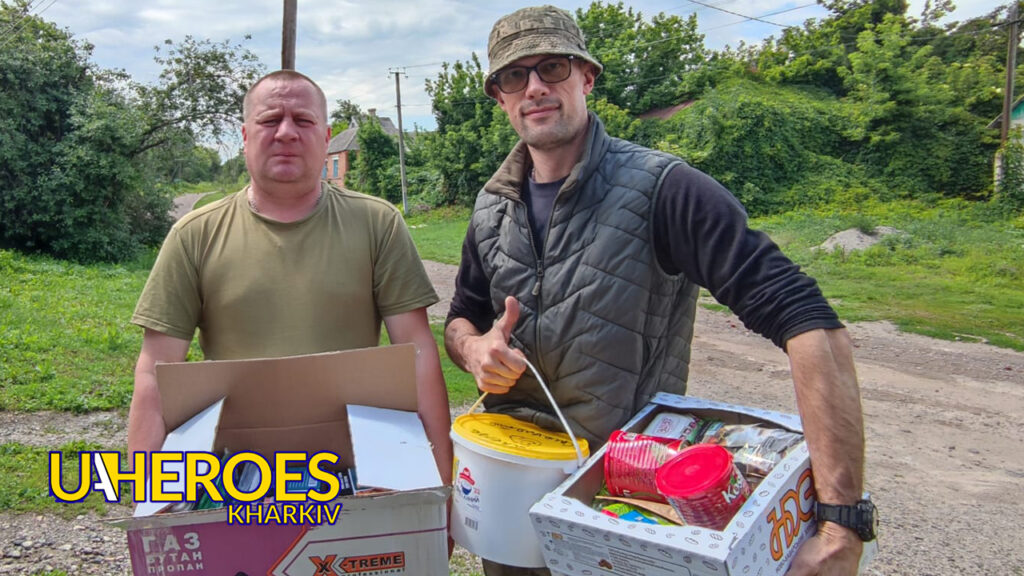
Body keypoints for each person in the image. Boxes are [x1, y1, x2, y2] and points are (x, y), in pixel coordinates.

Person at [444, 6, 868, 576]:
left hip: (621, 504)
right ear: (500, 97)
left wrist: (841, 522)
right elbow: (460, 319)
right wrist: (473, 350)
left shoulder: (663, 188)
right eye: (516, 76)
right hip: (510, 484)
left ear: (586, 77)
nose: (536, 87)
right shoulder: (492, 205)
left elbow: (809, 323)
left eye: (552, 67)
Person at [128, 70, 453, 488]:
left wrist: (438, 484)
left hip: (361, 473)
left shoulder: (377, 223)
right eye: (269, 121)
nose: (286, 133)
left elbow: (418, 356)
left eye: (302, 120)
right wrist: (146, 493)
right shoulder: (194, 235)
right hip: (233, 476)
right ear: (245, 135)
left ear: (326, 135)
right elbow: (155, 371)